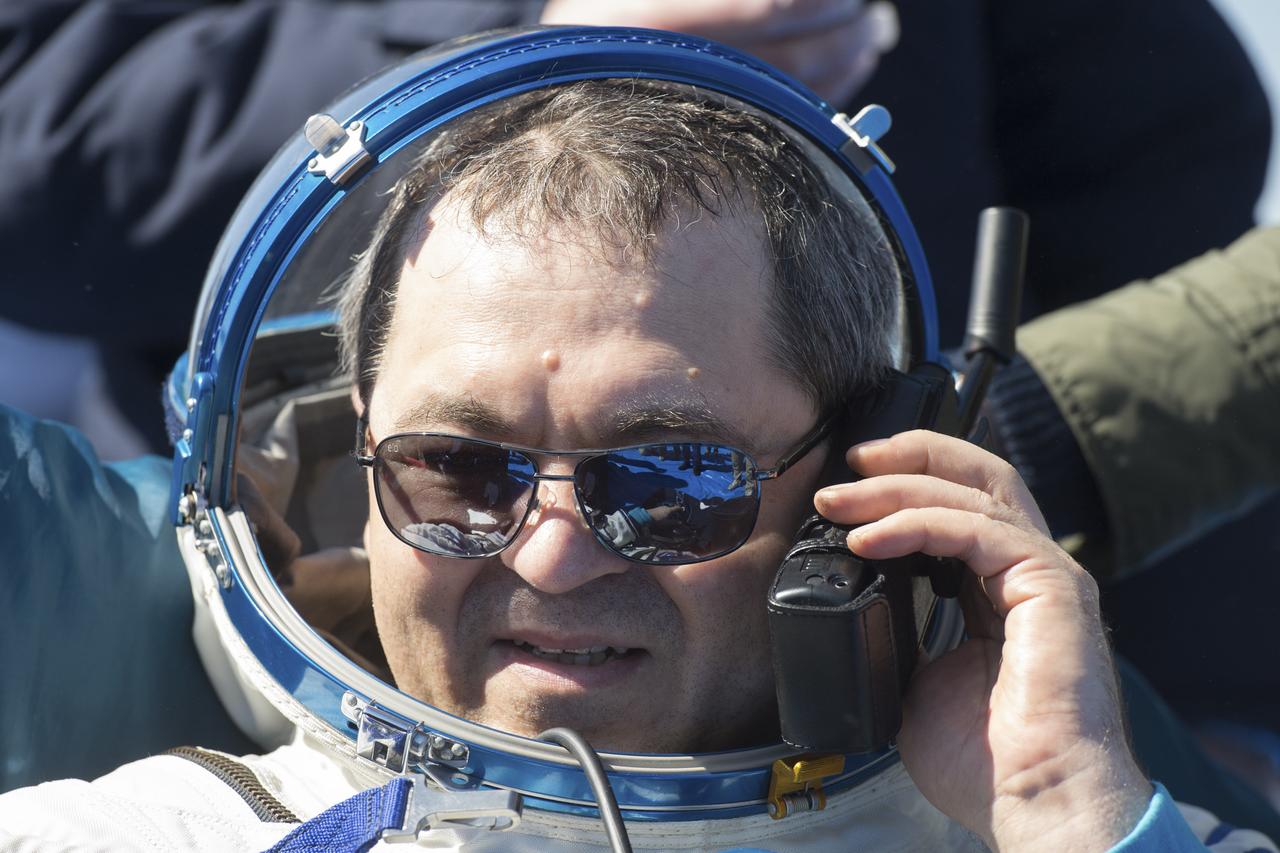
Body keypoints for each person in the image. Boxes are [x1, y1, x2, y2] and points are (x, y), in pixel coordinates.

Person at [0, 31, 1274, 850]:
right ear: (350, 459)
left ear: (852, 487)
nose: (549, 562)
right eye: (457, 468)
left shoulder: (1077, 817)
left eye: (667, 479)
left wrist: (1071, 818)